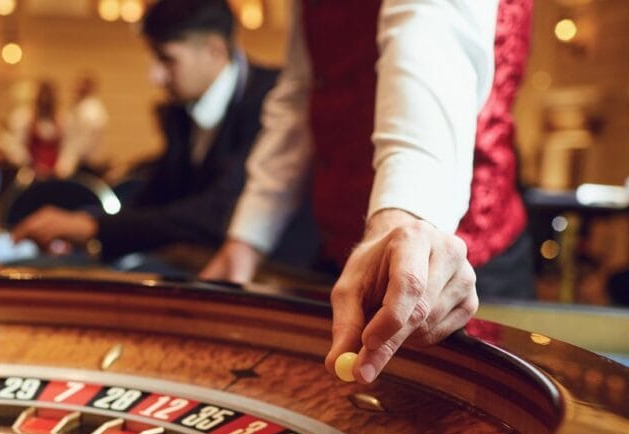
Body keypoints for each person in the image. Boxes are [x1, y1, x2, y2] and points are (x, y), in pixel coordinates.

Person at [200, 0, 533, 385]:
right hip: (349, 253)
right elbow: (303, 90)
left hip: (464, 256)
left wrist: (404, 219)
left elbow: (432, 35)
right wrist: (247, 238)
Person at [12, 0, 314, 267]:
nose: (154, 76)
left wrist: (92, 227)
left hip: (283, 278)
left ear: (214, 50)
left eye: (167, 59)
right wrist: (82, 224)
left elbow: (219, 213)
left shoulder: (272, 102)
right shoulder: (182, 109)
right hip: (202, 266)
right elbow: (156, 201)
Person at [55, 74, 109, 179]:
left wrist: (68, 162)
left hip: (83, 163)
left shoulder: (90, 111)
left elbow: (83, 141)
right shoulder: (81, 108)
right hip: (80, 161)